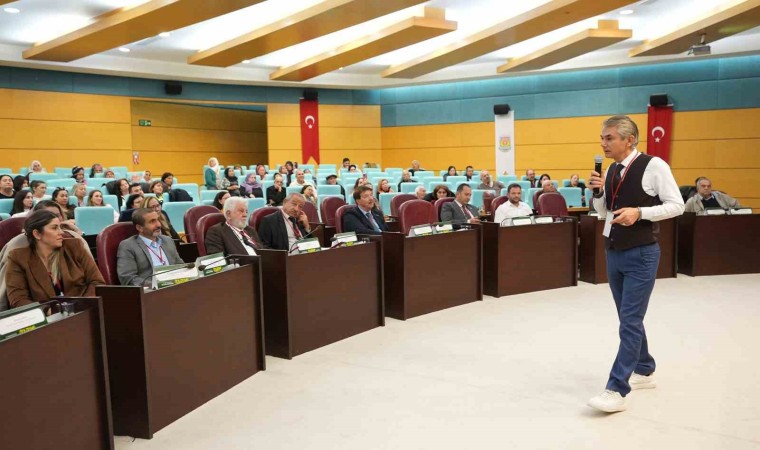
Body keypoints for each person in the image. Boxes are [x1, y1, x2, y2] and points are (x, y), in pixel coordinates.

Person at [586, 115, 684, 413]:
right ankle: (644, 367)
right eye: (602, 138)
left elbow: (677, 205)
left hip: (641, 253)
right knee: (628, 318)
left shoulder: (654, 166)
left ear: (629, 140)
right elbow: (604, 211)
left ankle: (617, 388)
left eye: (609, 138)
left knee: (629, 320)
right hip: (614, 250)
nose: (603, 144)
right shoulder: (612, 169)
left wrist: (640, 213)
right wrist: (598, 193)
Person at [5, 210, 104, 309]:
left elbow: (97, 282)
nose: (61, 232)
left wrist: (81, 306)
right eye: (54, 228)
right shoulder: (18, 258)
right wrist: (48, 310)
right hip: (46, 316)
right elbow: (18, 299)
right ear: (37, 234)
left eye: (60, 227)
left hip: (83, 310)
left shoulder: (75, 247)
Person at [116, 208, 183, 286]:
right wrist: (155, 285)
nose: (158, 225)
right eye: (152, 221)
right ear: (139, 228)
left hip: (175, 286)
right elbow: (128, 278)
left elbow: (181, 266)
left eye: (158, 220)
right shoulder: (128, 246)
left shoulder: (168, 241)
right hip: (151, 290)